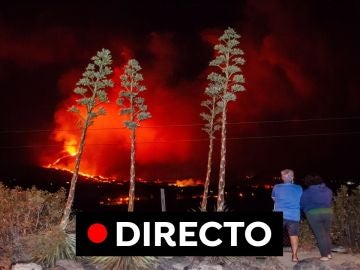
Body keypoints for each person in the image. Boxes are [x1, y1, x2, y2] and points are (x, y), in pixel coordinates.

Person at [272, 169, 302, 262]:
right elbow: (300, 199)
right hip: (293, 215)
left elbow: (273, 198)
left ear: (282, 178)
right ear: (292, 177)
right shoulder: (299, 188)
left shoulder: (277, 187)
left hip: (280, 213)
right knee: (293, 235)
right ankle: (294, 257)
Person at [300, 174, 333, 261]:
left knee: (320, 235)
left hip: (313, 214)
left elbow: (302, 204)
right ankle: (329, 254)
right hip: (328, 212)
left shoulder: (307, 192)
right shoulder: (328, 190)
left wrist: (306, 211)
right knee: (326, 233)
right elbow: (330, 200)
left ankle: (324, 256)